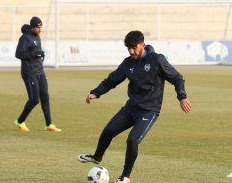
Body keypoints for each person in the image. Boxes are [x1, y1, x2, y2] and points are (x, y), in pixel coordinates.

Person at [77, 31, 191, 183]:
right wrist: (96, 93)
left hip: (149, 111)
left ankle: (125, 176)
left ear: (142, 44)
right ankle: (97, 157)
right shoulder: (128, 62)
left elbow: (177, 78)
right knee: (108, 131)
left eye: (134, 47)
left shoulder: (157, 60)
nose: (131, 51)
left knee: (132, 140)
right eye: (128, 48)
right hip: (131, 108)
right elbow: (112, 80)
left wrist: (182, 97)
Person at [14, 16, 61, 132]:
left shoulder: (37, 36)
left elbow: (36, 52)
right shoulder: (25, 38)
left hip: (40, 71)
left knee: (45, 96)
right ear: (32, 27)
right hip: (29, 73)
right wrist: (34, 54)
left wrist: (40, 54)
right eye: (38, 28)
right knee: (34, 99)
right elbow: (18, 54)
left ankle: (49, 125)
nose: (40, 30)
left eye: (41, 27)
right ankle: (19, 121)